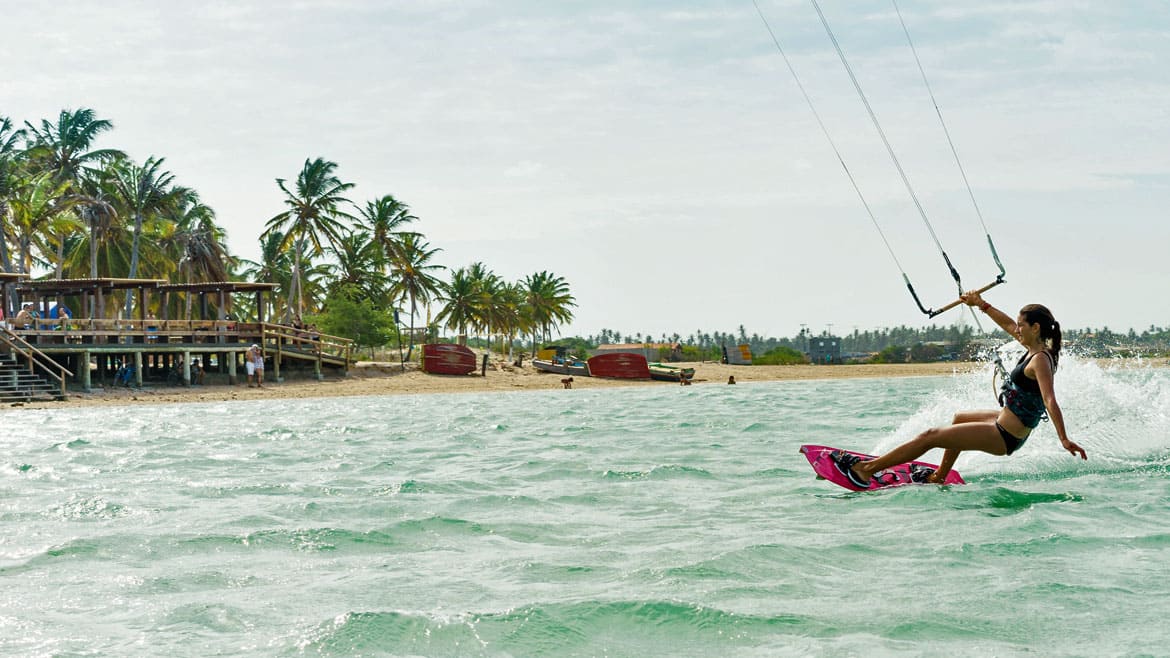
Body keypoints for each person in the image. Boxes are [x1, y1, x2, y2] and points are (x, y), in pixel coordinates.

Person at [832, 291, 1087, 487]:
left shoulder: (1040, 359)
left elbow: (1050, 400)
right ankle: (940, 476)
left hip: (1004, 435)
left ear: (1036, 328)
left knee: (931, 436)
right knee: (959, 418)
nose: (1016, 329)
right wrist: (981, 304)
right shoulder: (1034, 348)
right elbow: (1007, 324)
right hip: (1005, 420)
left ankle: (865, 471)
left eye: (1022, 325)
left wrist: (1063, 438)